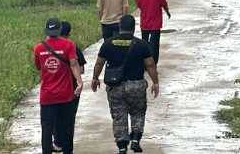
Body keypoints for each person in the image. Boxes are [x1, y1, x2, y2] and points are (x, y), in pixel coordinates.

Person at [91, 14, 159, 154]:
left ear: (119, 27)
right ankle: (135, 140)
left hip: (115, 86)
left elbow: (99, 63)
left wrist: (95, 78)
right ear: (133, 28)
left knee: (119, 116)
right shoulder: (141, 44)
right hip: (136, 85)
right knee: (138, 112)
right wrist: (155, 82)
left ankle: (122, 147)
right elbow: (150, 65)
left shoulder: (108, 43)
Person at [33, 17, 82, 154]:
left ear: (46, 30)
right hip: (65, 95)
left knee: (47, 129)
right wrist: (79, 82)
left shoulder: (38, 48)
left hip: (47, 96)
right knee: (67, 127)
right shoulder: (69, 45)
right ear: (60, 30)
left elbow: (38, 66)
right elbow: (74, 64)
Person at [52, 21, 86, 153]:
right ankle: (67, 147)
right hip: (72, 87)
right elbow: (81, 69)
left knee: (55, 115)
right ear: (69, 33)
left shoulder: (48, 47)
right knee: (69, 118)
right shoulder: (73, 46)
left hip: (54, 87)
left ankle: (57, 142)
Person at [134, 0, 170, 64]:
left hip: (145, 23)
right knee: (155, 44)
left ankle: (145, 62)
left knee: (144, 44)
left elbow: (139, 5)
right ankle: (154, 62)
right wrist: (167, 12)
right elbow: (164, 5)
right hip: (156, 24)